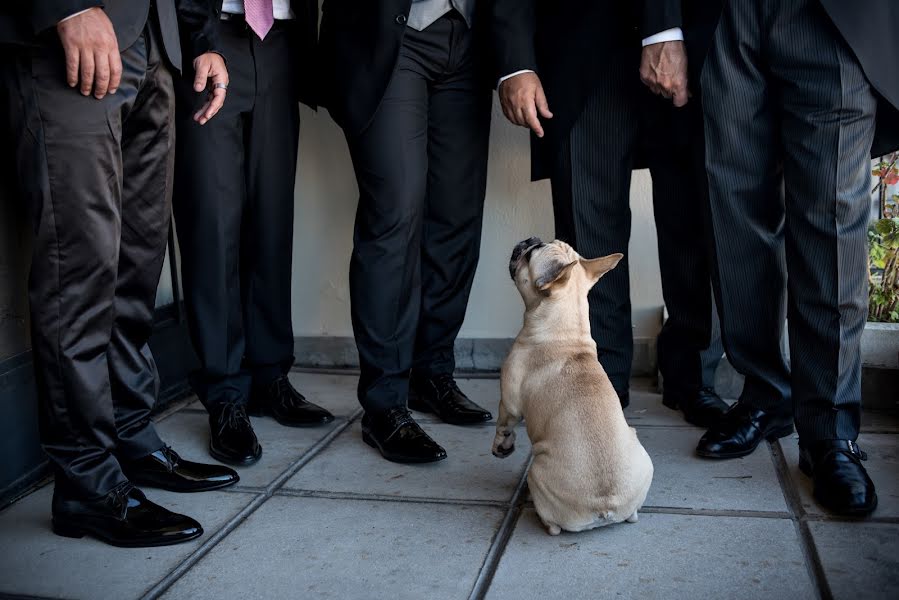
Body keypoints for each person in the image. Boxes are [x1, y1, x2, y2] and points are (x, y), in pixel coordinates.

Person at [0, 0, 239, 547]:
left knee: (137, 268)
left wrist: (198, 36)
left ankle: (132, 436)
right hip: (68, 39)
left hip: (156, 41)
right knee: (77, 273)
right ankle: (87, 484)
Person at [697, 0, 899, 516]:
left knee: (830, 222)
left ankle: (830, 433)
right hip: (728, 15)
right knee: (735, 212)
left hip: (832, 18)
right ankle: (765, 394)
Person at [491, 0, 728, 426]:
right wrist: (515, 62)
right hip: (582, 45)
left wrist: (664, 32)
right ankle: (602, 384)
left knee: (691, 221)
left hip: (688, 40)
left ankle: (692, 378)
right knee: (589, 233)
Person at [319, 0, 494, 464]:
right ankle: (385, 404)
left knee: (457, 216)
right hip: (389, 35)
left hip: (472, 37)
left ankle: (431, 373)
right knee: (394, 214)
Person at [173, 0, 334, 467]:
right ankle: (224, 392)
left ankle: (268, 377)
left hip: (281, 39)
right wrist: (199, 38)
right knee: (213, 223)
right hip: (211, 35)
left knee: (272, 218)